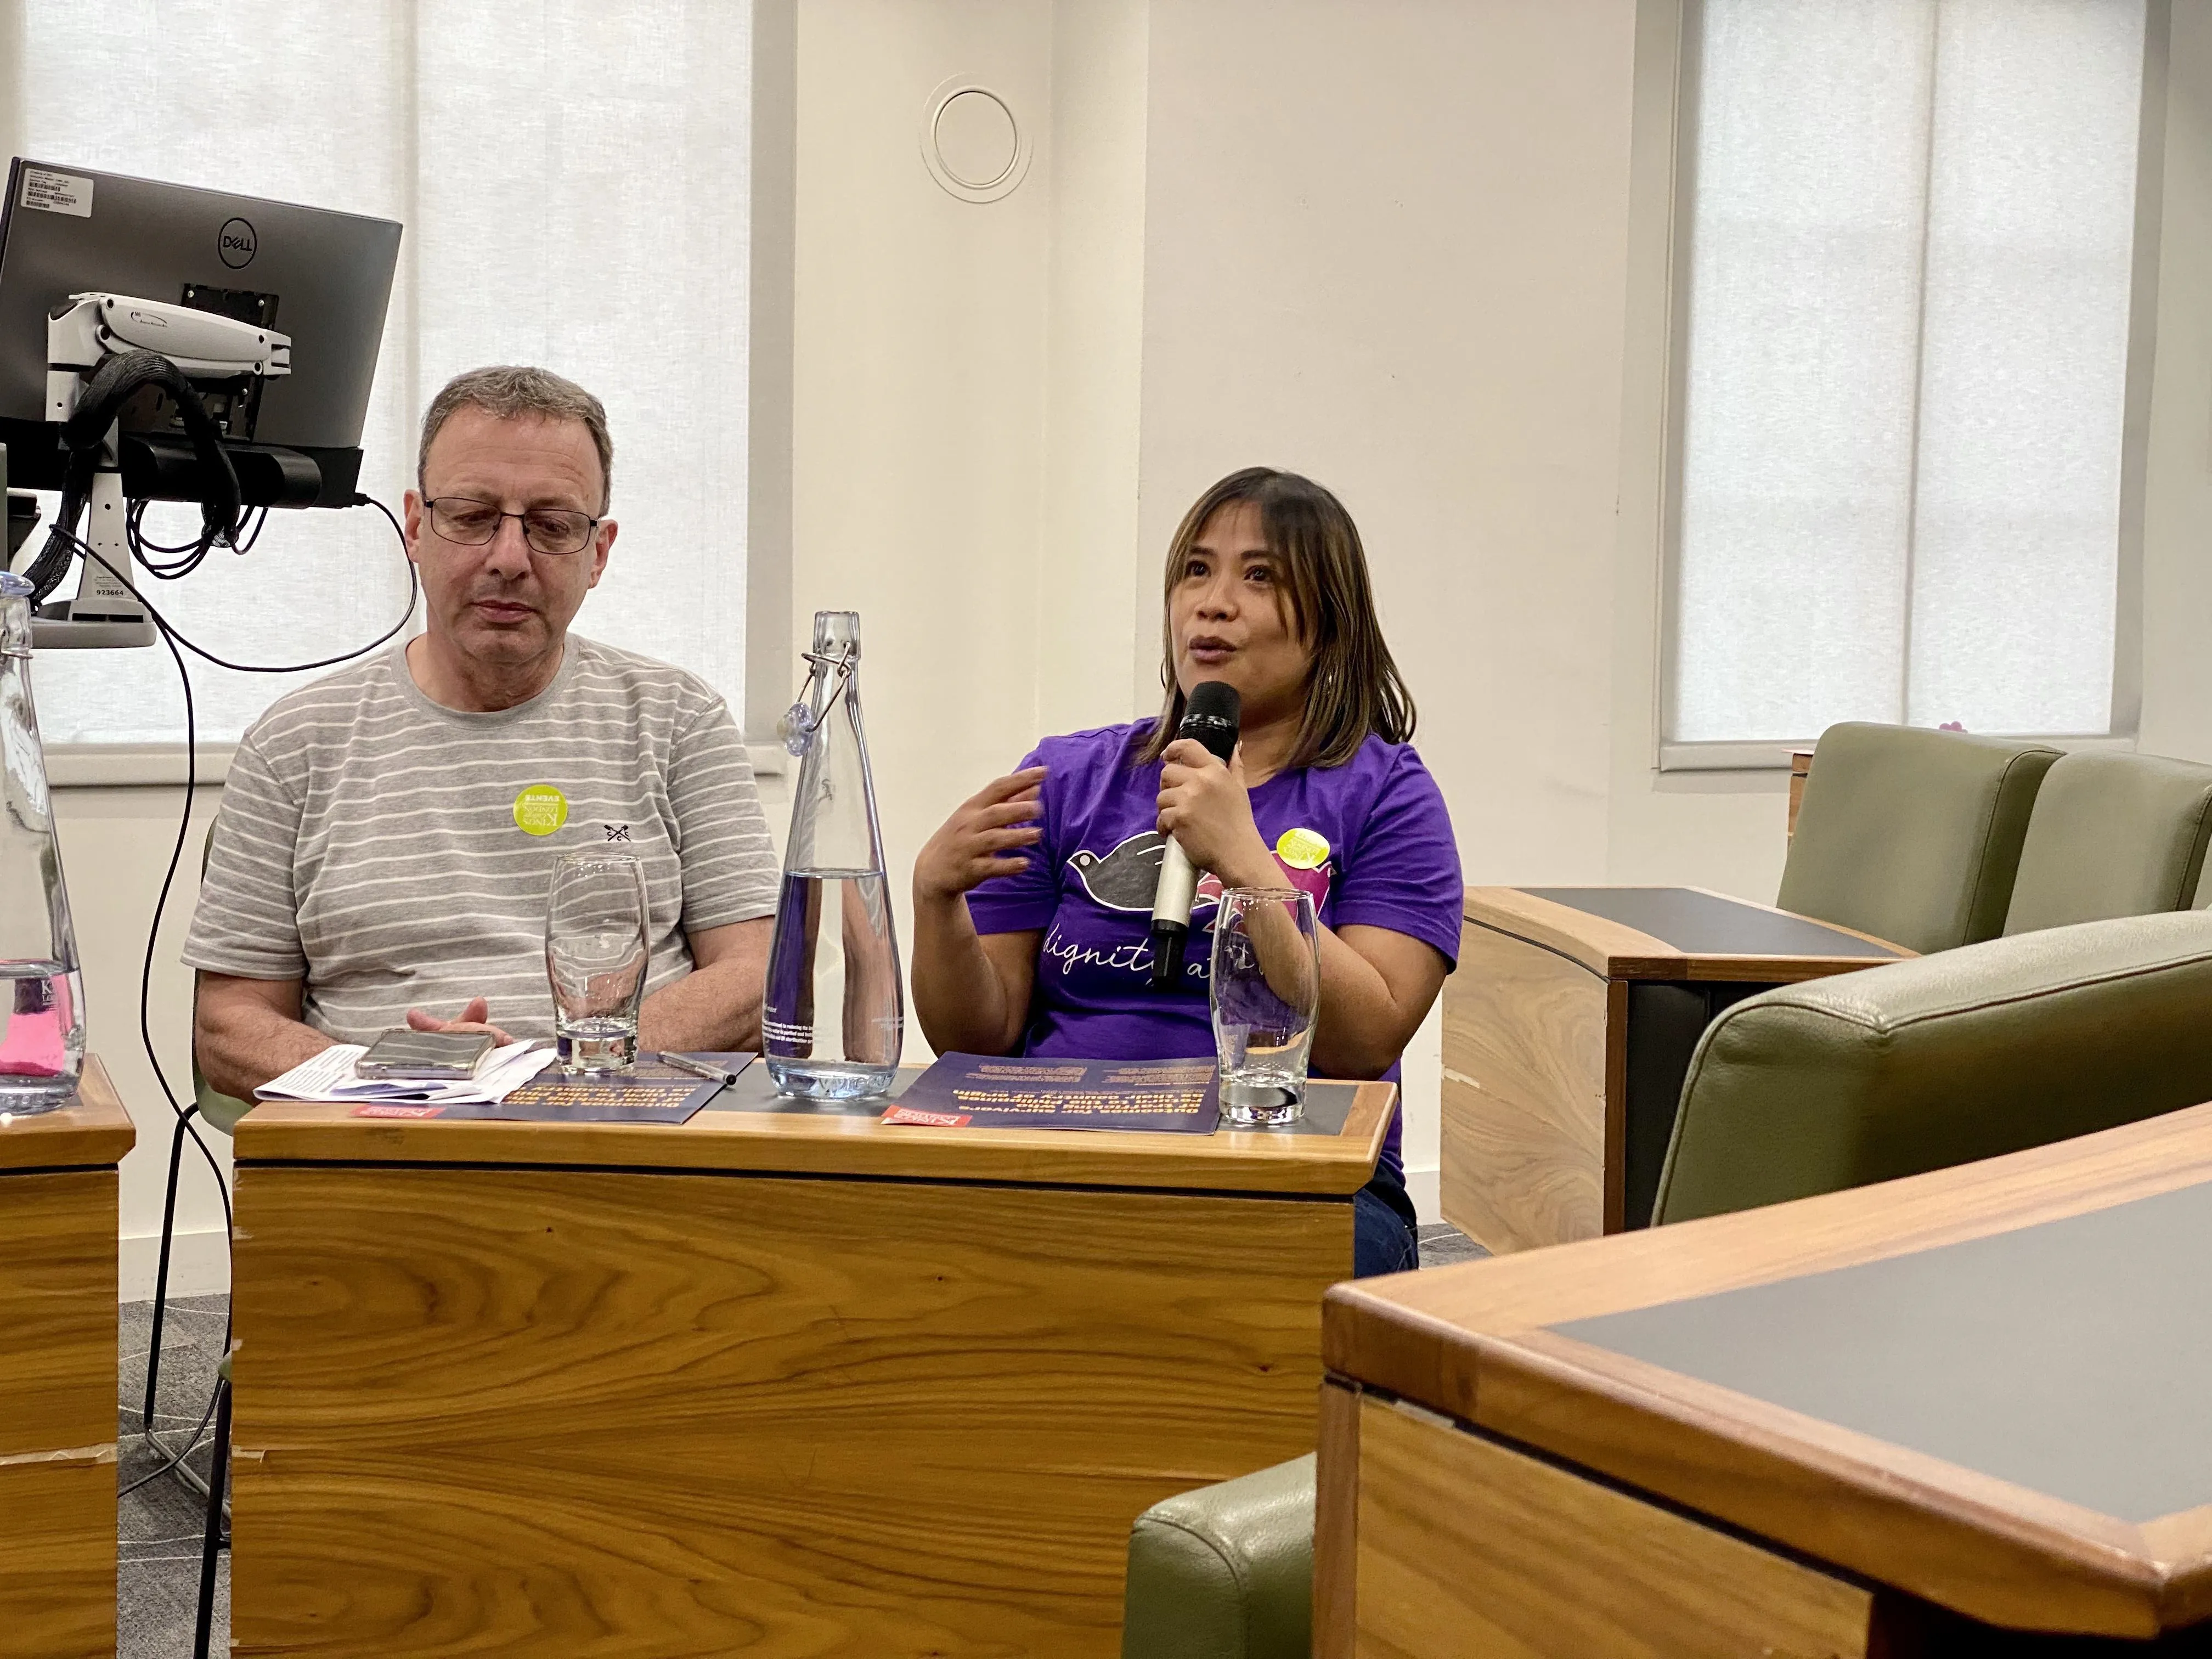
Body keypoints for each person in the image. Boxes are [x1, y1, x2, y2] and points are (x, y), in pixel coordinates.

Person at [911, 467, 1462, 1277]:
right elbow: (976, 1039)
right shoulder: (1068, 777)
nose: (1214, 603)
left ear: (1331, 624)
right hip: (1063, 1154)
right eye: (1195, 571)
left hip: (1291, 1171)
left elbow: (1364, 1037)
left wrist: (1243, 856)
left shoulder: (1387, 792)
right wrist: (936, 902)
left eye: (1261, 576)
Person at [185, 365, 778, 1098]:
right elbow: (229, 1025)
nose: (508, 558)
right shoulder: (295, 744)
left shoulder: (678, 719)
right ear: (414, 526)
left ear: (598, 552)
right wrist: (397, 1077)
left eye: (553, 526)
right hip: (376, 1158)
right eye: (471, 516)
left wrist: (547, 1079)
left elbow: (755, 977)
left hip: (628, 1143)